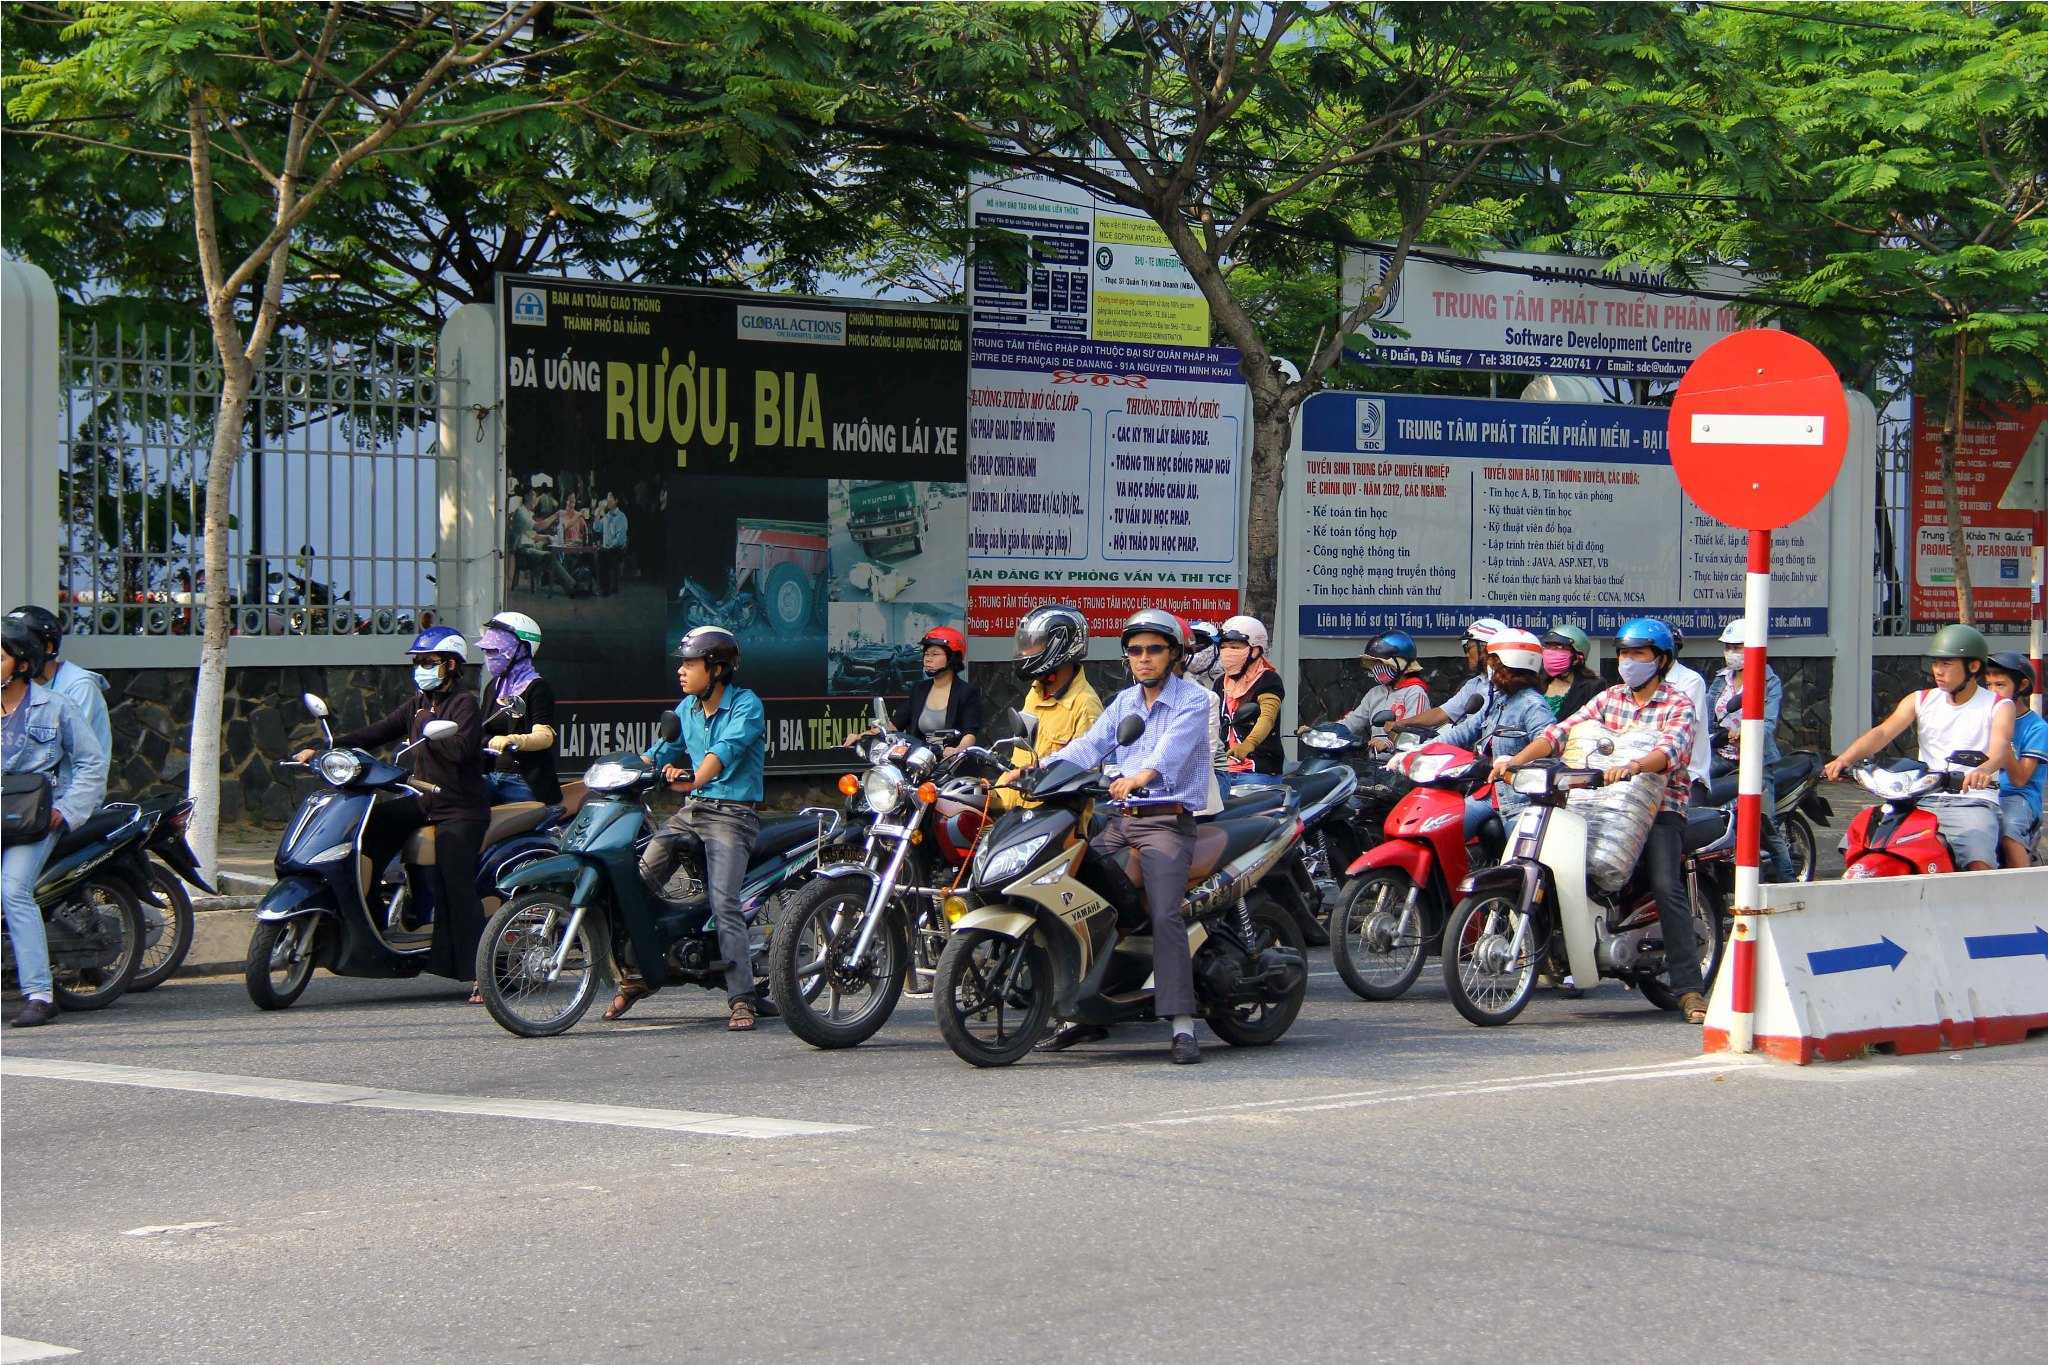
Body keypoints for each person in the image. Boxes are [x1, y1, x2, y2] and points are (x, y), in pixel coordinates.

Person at [1491, 618, 1707, 1024]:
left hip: (1661, 808)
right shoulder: (1609, 699)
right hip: (1600, 802)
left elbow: (1671, 751)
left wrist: (1634, 766)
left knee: (1665, 883)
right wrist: (1515, 761)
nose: (1628, 662)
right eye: (1624, 654)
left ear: (1660, 660)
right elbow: (1560, 733)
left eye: (1638, 654)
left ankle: (1689, 988)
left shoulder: (1678, 704)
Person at [1036, 609, 1214, 1064]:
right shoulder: (1123, 702)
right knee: (1071, 897)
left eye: (1154, 650)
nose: (1144, 658)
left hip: (1166, 822)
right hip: (1118, 822)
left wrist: (1140, 777)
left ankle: (1180, 1024)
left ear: (1173, 655)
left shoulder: (1193, 700)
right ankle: (1082, 1012)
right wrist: (1036, 771)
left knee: (1165, 916)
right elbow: (1089, 746)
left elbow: (1172, 751)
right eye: (1135, 651)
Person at [296, 627, 491, 995]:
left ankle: (480, 972)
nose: (420, 668)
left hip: (461, 809)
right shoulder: (419, 703)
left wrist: (430, 731)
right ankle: (369, 911)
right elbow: (375, 732)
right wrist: (321, 746)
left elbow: (464, 752)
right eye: (417, 662)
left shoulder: (463, 704)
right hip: (425, 801)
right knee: (369, 829)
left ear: (450, 665)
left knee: (456, 881)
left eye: (428, 662)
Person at [628, 626, 774, 1031]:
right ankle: (644, 969)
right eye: (683, 664)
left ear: (718, 669)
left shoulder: (747, 706)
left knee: (724, 901)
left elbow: (722, 753)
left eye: (691, 664)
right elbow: (658, 754)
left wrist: (693, 778)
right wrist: (617, 772)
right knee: (639, 877)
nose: (682, 671)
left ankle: (742, 997)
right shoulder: (687, 709)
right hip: (692, 812)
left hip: (732, 816)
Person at [1824, 624, 2012, 872]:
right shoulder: (1921, 699)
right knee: (1860, 839)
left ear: (1973, 667)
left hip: (1973, 801)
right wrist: (1844, 760)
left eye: (1947, 664)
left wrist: (1983, 771)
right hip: (1919, 799)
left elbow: (2000, 749)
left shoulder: (1998, 705)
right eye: (1936, 663)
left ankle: (1988, 909)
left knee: (1978, 860)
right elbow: (1882, 732)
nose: (1938, 671)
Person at [2, 618, 109, 1028]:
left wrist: (64, 811)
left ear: (22, 664)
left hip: (34, 822)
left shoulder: (56, 706)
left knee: (13, 890)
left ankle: (40, 994)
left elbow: (91, 763)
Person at [1437, 629, 1553, 835]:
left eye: (1493, 663)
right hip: (1488, 793)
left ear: (1509, 665)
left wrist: (1513, 761)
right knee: (1442, 829)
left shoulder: (1532, 704)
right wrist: (1420, 750)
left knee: (1518, 858)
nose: (1489, 668)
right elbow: (1464, 731)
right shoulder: (1499, 701)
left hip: (1520, 800)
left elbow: (1547, 741)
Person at [1705, 619, 1794, 880]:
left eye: (1738, 646)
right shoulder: (1721, 679)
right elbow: (1708, 714)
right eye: (1729, 647)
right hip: (1721, 757)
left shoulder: (1769, 681)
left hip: (1755, 760)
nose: (1732, 652)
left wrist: (1746, 732)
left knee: (1764, 825)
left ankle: (1787, 881)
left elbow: (1767, 724)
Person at [991, 606, 1102, 812]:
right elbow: (1019, 766)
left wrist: (1034, 773)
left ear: (1059, 647)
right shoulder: (1036, 691)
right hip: (1016, 809)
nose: (1025, 652)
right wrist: (991, 792)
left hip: (1054, 817)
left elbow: (1084, 772)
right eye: (1024, 644)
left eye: (1034, 645)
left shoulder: (1085, 704)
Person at [476, 612, 560, 805]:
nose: (490, 656)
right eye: (488, 651)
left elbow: (544, 736)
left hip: (521, 781)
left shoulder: (536, 687)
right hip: (489, 776)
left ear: (521, 649)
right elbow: (482, 727)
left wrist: (511, 740)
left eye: (496, 650)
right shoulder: (494, 686)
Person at [5, 605, 111, 758]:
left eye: (22, 645)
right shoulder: (16, 682)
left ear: (48, 647)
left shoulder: (80, 686)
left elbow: (63, 748)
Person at [1388, 617, 1508, 738]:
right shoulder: (1475, 684)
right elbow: (1442, 713)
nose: (1466, 654)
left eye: (1468, 647)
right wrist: (1402, 723)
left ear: (1485, 647)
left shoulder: (1512, 686)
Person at [1981, 652, 2043, 868]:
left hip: (2017, 797)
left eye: (2000, 685)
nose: (1992, 692)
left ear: (2022, 685)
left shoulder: (2037, 728)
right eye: (1988, 685)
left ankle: (2025, 893)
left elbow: (2019, 780)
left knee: (2009, 832)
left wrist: (2003, 742)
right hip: (1983, 792)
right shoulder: (1981, 717)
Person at [885, 626, 983, 754]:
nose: (928, 659)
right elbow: (895, 724)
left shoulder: (967, 692)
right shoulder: (919, 689)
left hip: (950, 764)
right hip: (917, 761)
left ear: (952, 658)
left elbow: (970, 733)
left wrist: (958, 750)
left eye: (935, 654)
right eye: (926, 654)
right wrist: (864, 736)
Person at [1217, 615, 1284, 789]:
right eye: (1223, 647)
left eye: (1235, 647)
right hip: (1221, 771)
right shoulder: (1220, 683)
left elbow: (1267, 718)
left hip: (1257, 772)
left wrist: (1248, 744)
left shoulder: (1269, 680)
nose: (1227, 652)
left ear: (1255, 650)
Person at [1337, 631, 1431, 750]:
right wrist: (1324, 731)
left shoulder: (1415, 692)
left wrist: (1388, 743)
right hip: (1374, 763)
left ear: (1401, 663)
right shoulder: (1374, 693)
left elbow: (1415, 733)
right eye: (1374, 663)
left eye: (1381, 662)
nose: (1377, 667)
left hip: (1402, 764)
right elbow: (1352, 722)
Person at [1665, 625, 1712, 793]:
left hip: (1686, 778)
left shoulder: (1690, 681)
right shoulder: (1635, 685)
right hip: (1648, 777)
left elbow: (1681, 732)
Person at [1539, 622, 1603, 722]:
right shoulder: (1536, 681)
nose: (1551, 652)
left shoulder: (1592, 687)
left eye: (1559, 647)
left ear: (1578, 657)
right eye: (1548, 646)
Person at [596, 494, 629, 595]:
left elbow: (620, 539)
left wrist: (609, 546)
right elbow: (597, 528)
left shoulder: (621, 517)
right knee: (599, 553)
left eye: (610, 498)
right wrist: (598, 514)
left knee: (604, 554)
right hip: (607, 548)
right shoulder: (607, 516)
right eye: (607, 498)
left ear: (616, 501)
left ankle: (606, 589)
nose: (607, 500)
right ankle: (603, 587)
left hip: (617, 548)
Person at [1185, 621, 1224, 691]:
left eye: (1200, 642)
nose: (1194, 649)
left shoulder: (1224, 680)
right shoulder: (1178, 677)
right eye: (1189, 647)